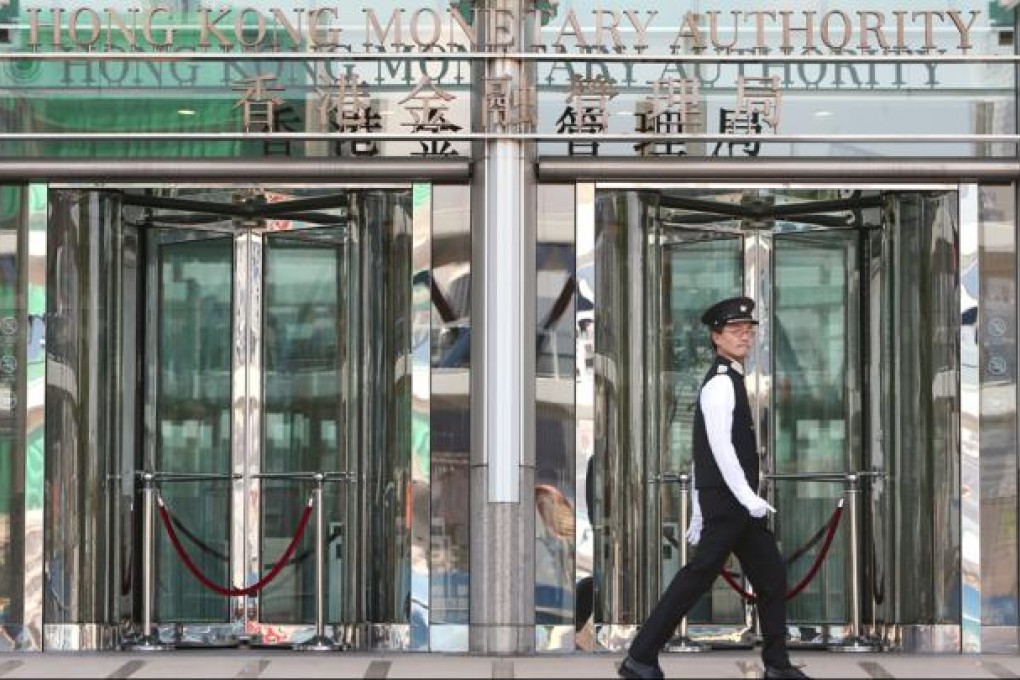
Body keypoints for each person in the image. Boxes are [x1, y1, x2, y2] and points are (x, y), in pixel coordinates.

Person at [618, 296, 809, 680]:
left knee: (771, 578)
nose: (744, 337)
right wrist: (745, 498)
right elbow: (719, 449)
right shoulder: (721, 383)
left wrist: (702, 511)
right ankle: (640, 656)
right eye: (736, 331)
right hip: (731, 503)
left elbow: (700, 453)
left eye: (749, 331)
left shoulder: (729, 380)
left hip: (731, 505)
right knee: (697, 577)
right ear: (716, 337)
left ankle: (777, 665)